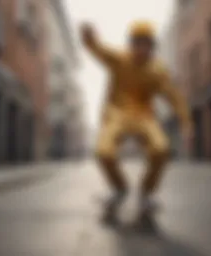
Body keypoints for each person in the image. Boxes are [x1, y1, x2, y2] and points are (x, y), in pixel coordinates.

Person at [80, 21, 194, 216]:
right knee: (103, 151)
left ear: (152, 46)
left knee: (161, 149)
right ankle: (119, 188)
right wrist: (88, 36)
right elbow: (97, 48)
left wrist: (186, 122)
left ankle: (146, 192)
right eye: (137, 43)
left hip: (144, 115)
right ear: (131, 45)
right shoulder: (119, 59)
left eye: (146, 44)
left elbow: (173, 97)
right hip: (116, 112)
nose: (141, 49)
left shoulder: (158, 70)